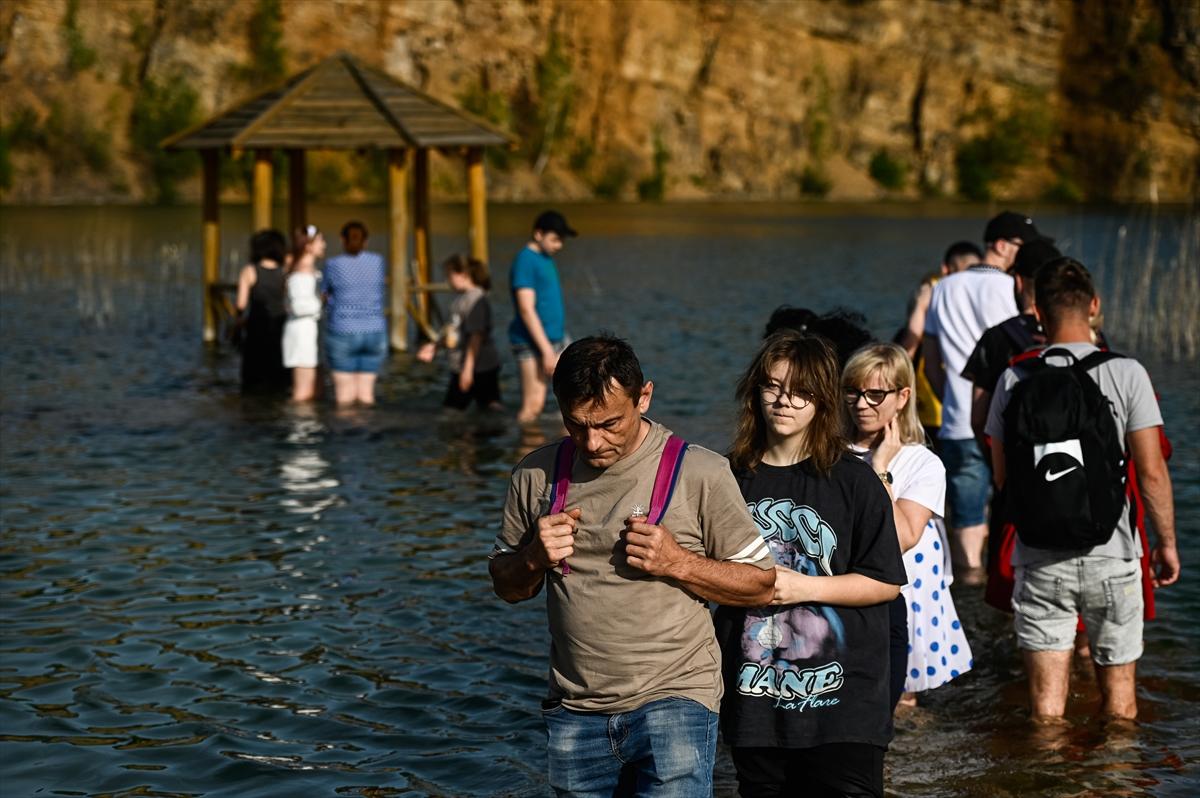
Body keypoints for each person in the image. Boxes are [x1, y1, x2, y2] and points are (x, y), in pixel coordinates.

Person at [490, 335, 775, 797]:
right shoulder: (535, 474)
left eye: (608, 424)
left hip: (677, 698)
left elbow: (760, 585)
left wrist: (678, 562)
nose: (592, 442)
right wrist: (532, 558)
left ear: (644, 397)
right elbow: (508, 587)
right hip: (575, 709)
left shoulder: (699, 472)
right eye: (576, 424)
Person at [985, 257, 1179, 721]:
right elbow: (1151, 473)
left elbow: (1002, 478)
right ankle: (1114, 781)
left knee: (1046, 710)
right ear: (1093, 306)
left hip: (1038, 559)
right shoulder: (1127, 372)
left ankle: (1050, 784)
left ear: (1037, 312)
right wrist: (1166, 543)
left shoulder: (1014, 378)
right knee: (1119, 701)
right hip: (1112, 556)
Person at [714, 331, 906, 798]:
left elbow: (885, 584)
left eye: (801, 391)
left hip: (845, 709)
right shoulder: (725, 477)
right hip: (752, 702)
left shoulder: (854, 480)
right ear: (754, 391)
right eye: (772, 386)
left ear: (822, 401)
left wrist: (802, 588)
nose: (784, 401)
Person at [843, 344, 972, 708]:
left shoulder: (922, 463)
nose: (862, 404)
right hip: (847, 586)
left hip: (906, 587)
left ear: (902, 397)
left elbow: (901, 537)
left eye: (875, 394)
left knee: (900, 694)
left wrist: (880, 467)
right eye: (853, 391)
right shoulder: (829, 450)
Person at [922, 211, 1047, 579]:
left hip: (959, 423)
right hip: (1009, 423)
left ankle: (969, 600)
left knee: (966, 521)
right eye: (1023, 247)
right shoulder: (1013, 288)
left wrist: (953, 402)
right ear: (1002, 245)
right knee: (1014, 518)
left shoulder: (942, 287)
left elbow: (931, 362)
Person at [963, 238, 1060, 442]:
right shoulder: (1085, 335)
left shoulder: (997, 336)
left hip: (1017, 462)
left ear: (1018, 281)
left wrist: (999, 466)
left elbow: (978, 420)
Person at [896, 241, 983, 444]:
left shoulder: (938, 291)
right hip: (935, 414)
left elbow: (903, 356)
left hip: (940, 415)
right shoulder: (975, 298)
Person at [509, 210, 576, 424]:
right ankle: (525, 455)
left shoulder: (544, 258)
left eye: (561, 240)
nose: (559, 245)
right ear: (538, 234)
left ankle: (568, 453)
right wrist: (546, 350)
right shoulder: (525, 261)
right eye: (555, 239)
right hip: (533, 342)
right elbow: (526, 309)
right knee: (534, 405)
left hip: (556, 339)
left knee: (574, 399)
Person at [416, 254, 502, 412]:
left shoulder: (476, 299)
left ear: (463, 275)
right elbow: (453, 332)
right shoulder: (460, 300)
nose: (447, 281)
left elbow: (476, 336)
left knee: (456, 410)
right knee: (479, 406)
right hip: (464, 366)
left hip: (479, 367)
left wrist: (467, 370)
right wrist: (435, 346)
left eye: (449, 275)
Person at [323, 221, 387, 406]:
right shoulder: (377, 261)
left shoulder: (333, 264)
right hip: (374, 331)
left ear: (342, 240)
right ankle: (367, 431)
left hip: (343, 330)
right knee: (367, 395)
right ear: (366, 241)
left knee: (344, 397)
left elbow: (325, 293)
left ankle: (346, 433)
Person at [235, 229, 290, 394]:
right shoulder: (285, 271)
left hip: (256, 327)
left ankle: (254, 413)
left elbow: (241, 304)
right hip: (281, 326)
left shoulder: (250, 271)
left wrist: (238, 320)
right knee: (279, 377)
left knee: (253, 378)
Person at [283, 225, 326, 402]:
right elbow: (298, 307)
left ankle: (311, 427)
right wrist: (322, 301)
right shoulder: (301, 272)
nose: (324, 244)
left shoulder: (310, 271)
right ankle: (299, 428)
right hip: (301, 333)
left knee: (315, 389)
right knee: (303, 392)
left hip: (310, 331)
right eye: (320, 241)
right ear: (308, 246)